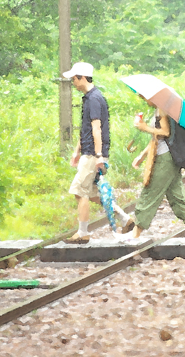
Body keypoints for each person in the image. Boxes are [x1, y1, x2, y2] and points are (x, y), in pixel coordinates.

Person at [65, 62, 131, 243]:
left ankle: (83, 233)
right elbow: (85, 129)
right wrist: (76, 151)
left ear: (82, 77)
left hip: (93, 154)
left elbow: (96, 129)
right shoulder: (89, 98)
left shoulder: (94, 99)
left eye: (74, 79)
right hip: (89, 151)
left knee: (80, 191)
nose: (73, 83)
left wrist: (99, 155)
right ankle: (125, 219)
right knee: (95, 194)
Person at [123, 96, 185, 241]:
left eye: (144, 97)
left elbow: (165, 133)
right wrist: (141, 156)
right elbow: (157, 138)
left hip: (165, 158)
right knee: (177, 195)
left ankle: (135, 233)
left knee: (150, 192)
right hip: (169, 157)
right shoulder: (158, 110)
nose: (143, 99)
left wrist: (145, 128)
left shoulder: (162, 110)